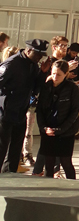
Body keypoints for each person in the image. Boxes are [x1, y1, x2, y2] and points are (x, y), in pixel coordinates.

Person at [0, 38, 48, 173]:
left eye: (41, 55)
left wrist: (43, 73)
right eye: (37, 54)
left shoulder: (33, 64)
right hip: (5, 112)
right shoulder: (11, 64)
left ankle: (10, 175)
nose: (39, 58)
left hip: (21, 111)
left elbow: (35, 88)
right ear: (28, 50)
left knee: (15, 149)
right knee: (1, 147)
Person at [35, 58, 79, 179]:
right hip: (48, 129)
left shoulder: (72, 89)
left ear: (66, 74)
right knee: (48, 162)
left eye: (59, 75)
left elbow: (74, 112)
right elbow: (40, 110)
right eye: (53, 73)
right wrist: (44, 128)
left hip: (65, 132)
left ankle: (72, 185)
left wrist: (60, 130)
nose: (55, 77)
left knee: (65, 162)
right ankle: (48, 188)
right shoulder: (46, 87)